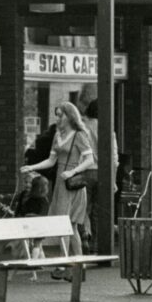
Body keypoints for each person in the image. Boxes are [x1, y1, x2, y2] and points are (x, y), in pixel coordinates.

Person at [20, 102, 94, 279]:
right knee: (68, 226)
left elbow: (90, 160)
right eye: (57, 115)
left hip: (73, 183)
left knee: (70, 225)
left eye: (61, 115)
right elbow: (51, 161)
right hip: (61, 183)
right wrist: (32, 167)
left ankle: (66, 265)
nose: (58, 119)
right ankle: (76, 266)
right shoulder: (57, 136)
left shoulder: (79, 135)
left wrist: (73, 171)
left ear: (70, 116)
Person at [82, 100, 119, 254]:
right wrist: (113, 179)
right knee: (99, 211)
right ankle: (96, 245)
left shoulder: (82, 128)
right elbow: (114, 157)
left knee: (82, 209)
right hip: (103, 173)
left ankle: (84, 237)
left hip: (84, 171)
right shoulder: (108, 130)